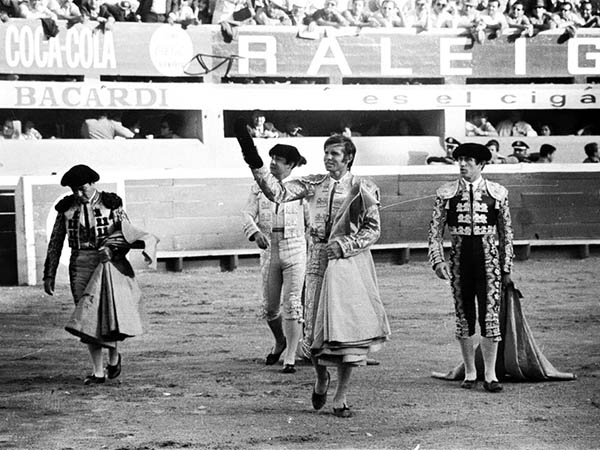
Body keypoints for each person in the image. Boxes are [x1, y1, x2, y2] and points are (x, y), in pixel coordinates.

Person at [235, 120, 390, 418]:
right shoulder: (314, 184)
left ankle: (341, 396)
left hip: (348, 263)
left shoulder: (364, 188)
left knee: (346, 332)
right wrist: (252, 156)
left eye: (335, 154)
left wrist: (346, 245)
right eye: (326, 153)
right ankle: (321, 378)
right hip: (317, 257)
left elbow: (373, 230)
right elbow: (276, 192)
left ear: (348, 158)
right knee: (314, 327)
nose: (328, 158)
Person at [43, 165, 157, 385]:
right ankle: (97, 372)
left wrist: (113, 251)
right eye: (74, 189)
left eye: (82, 188)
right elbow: (55, 242)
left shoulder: (111, 204)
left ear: (92, 183)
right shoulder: (66, 208)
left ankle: (114, 358)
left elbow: (126, 234)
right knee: (87, 317)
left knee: (108, 312)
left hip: (108, 263)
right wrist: (49, 274)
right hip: (79, 265)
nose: (78, 193)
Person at [428, 143, 514, 393]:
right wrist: (438, 260)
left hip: (489, 263)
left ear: (481, 164)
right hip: (459, 262)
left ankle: (490, 375)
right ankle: (469, 372)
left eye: (468, 160)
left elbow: (506, 234)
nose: (462, 164)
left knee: (490, 317)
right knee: (464, 317)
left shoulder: (498, 193)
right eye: (460, 159)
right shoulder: (446, 193)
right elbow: (434, 232)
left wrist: (506, 267)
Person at [242, 144, 308, 373]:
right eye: (272, 158)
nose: (273, 163)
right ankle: (281, 341)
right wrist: (254, 232)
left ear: (291, 165)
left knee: (292, 303)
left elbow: (312, 222)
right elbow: (247, 214)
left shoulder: (303, 188)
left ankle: (290, 356)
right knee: (270, 308)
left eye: (279, 159)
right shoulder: (259, 186)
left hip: (296, 247)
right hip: (270, 249)